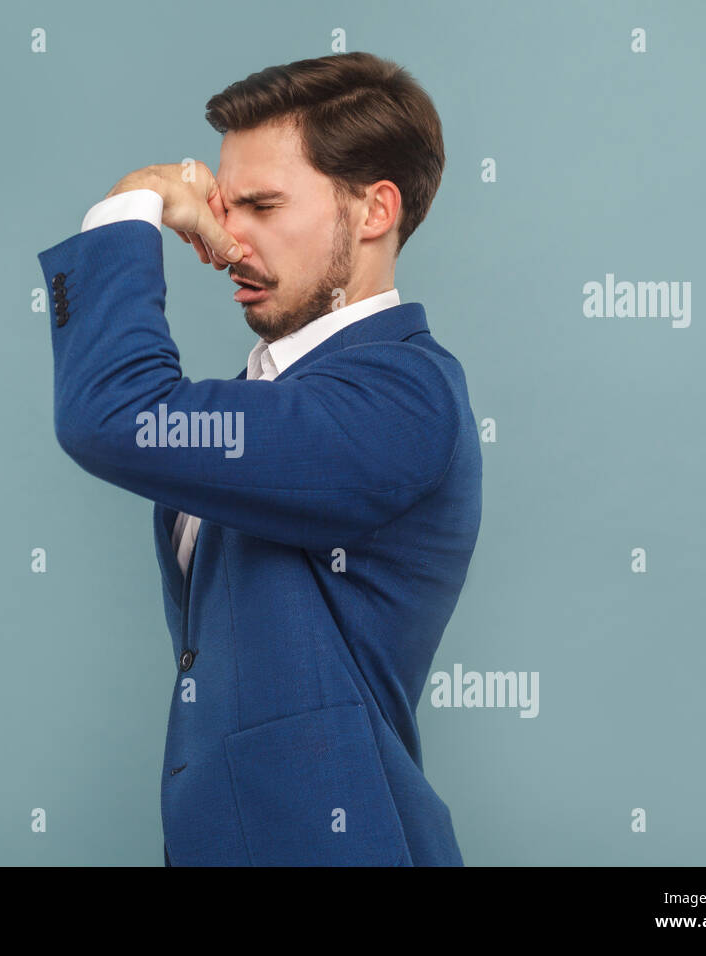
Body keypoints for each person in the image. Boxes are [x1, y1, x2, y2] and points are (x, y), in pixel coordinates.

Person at [37, 51, 481, 866]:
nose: (228, 234)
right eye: (222, 203)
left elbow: (118, 414)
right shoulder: (264, 400)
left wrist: (132, 202)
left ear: (374, 209)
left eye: (265, 205)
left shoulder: (400, 397)